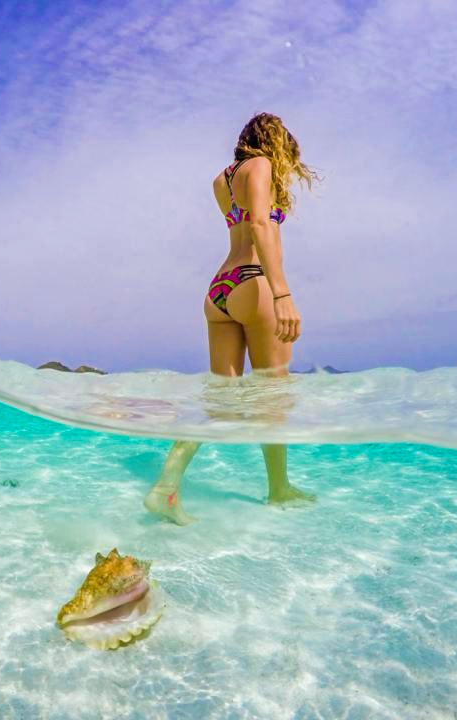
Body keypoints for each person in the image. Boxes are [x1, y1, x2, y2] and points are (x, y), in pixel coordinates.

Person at [144, 113, 319, 525]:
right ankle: (278, 490)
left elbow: (243, 224)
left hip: (221, 287)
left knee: (221, 401)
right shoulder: (261, 166)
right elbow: (259, 224)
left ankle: (164, 487)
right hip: (255, 283)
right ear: (274, 141)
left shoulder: (221, 179)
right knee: (273, 400)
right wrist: (283, 294)